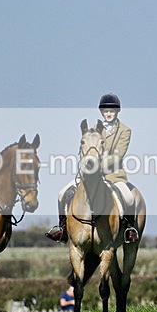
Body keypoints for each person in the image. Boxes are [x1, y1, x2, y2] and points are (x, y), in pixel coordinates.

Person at [46, 93, 139, 244]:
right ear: (102, 112)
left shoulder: (125, 130)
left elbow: (118, 155)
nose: (109, 114)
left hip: (114, 175)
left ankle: (129, 229)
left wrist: (98, 165)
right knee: (62, 194)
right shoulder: (94, 129)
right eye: (106, 111)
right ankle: (62, 228)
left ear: (117, 112)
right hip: (89, 175)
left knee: (129, 198)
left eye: (112, 111)